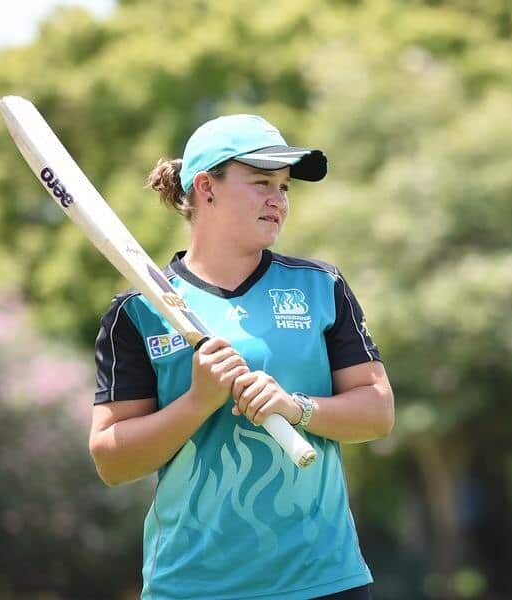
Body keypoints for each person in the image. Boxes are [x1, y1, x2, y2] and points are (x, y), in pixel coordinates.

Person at [89, 113, 395, 600]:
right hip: (191, 585)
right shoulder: (138, 313)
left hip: (322, 579)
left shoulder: (320, 287)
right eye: (260, 183)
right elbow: (112, 461)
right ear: (206, 187)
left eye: (284, 187)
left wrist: (297, 408)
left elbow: (377, 412)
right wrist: (196, 401)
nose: (278, 199)